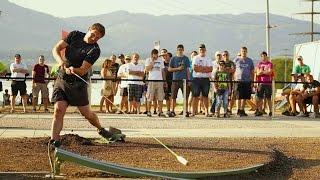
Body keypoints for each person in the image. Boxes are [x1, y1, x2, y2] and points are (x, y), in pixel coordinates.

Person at [50, 23, 125, 147]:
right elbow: (56, 49)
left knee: (87, 114)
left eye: (98, 38)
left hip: (78, 83)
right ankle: (54, 141)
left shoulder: (95, 50)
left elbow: (83, 70)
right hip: (62, 80)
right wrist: (61, 62)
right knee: (58, 110)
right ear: (89, 30)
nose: (94, 39)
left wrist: (73, 69)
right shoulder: (74, 35)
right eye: (93, 35)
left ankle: (101, 129)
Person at [168, 44, 191, 117]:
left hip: (184, 80)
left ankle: (186, 111)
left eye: (181, 49)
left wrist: (189, 80)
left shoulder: (186, 58)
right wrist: (178, 69)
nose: (180, 51)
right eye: (179, 49)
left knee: (186, 96)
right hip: (175, 80)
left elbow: (188, 70)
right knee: (173, 96)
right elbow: (169, 69)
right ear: (177, 50)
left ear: (183, 50)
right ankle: (172, 111)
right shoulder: (173, 59)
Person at [191, 44, 213, 117]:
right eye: (200, 49)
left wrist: (200, 68)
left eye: (203, 49)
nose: (202, 50)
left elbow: (210, 69)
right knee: (195, 96)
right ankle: (193, 112)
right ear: (199, 50)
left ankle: (207, 112)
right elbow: (195, 68)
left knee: (205, 96)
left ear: (205, 50)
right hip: (196, 79)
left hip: (205, 79)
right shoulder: (195, 58)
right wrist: (204, 69)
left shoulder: (208, 58)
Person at [145, 49, 166, 117]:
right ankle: (148, 111)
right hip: (151, 81)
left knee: (160, 97)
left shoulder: (160, 60)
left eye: (157, 54)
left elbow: (162, 71)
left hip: (160, 81)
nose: (156, 56)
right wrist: (152, 62)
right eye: (154, 55)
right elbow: (147, 70)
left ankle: (160, 112)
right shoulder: (148, 60)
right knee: (150, 97)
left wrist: (164, 81)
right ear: (152, 55)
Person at [234, 47, 254, 117]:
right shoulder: (236, 60)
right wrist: (234, 79)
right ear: (240, 52)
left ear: (247, 52)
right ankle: (238, 110)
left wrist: (252, 81)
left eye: (245, 51)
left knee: (245, 96)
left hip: (247, 81)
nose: (244, 52)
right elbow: (233, 70)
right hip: (239, 80)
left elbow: (252, 72)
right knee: (238, 96)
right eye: (242, 51)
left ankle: (242, 110)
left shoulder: (250, 61)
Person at [254, 52, 273, 117]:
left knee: (268, 98)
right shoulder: (259, 64)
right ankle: (259, 110)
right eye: (262, 56)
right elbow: (258, 73)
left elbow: (270, 72)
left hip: (268, 83)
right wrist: (264, 72)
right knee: (260, 98)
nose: (264, 57)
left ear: (266, 56)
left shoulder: (270, 64)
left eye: (265, 56)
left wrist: (262, 72)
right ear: (261, 57)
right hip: (261, 83)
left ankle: (270, 111)